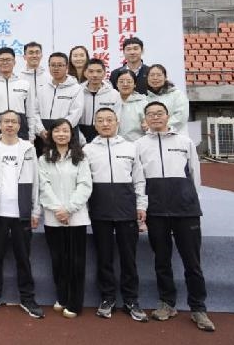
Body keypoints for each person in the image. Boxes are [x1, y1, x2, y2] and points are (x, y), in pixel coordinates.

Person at [135, 101, 214, 332]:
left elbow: (195, 174)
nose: (155, 117)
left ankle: (198, 308)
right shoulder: (139, 145)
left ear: (168, 116)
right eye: (151, 114)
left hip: (185, 211)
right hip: (156, 210)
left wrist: (192, 200)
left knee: (192, 263)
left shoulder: (185, 142)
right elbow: (138, 179)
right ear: (145, 119)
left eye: (159, 113)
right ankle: (167, 303)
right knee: (162, 260)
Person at [83, 108, 148, 322]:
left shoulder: (131, 147)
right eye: (100, 120)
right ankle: (107, 298)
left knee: (129, 258)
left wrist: (141, 205)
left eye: (109, 120)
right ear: (95, 125)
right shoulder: (88, 150)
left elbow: (139, 179)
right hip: (99, 210)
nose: (105, 124)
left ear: (117, 122)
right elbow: (84, 182)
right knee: (104, 258)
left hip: (126, 210)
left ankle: (131, 300)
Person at [0, 110, 44, 319]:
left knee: (23, 258)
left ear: (19, 125)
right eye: (6, 121)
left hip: (21, 212)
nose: (9, 125)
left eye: (13, 122)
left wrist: (35, 210)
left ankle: (28, 298)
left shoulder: (29, 148)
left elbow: (36, 181)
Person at [38, 119, 92, 318]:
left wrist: (69, 209)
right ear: (51, 134)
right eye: (57, 131)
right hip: (54, 218)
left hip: (76, 218)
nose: (61, 134)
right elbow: (43, 186)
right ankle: (62, 297)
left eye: (65, 131)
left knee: (76, 262)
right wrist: (58, 210)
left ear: (71, 134)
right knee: (58, 260)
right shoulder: (43, 159)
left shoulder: (81, 157)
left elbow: (85, 185)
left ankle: (75, 303)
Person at [0, 47, 36, 144]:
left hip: (21, 135)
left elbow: (31, 113)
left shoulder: (24, 84)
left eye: (8, 59)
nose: (5, 62)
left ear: (14, 62)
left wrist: (31, 137)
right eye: (1, 60)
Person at [31, 52, 84, 150]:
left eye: (60, 65)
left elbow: (76, 113)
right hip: (44, 135)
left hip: (67, 134)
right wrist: (40, 130)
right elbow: (35, 112)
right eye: (53, 65)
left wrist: (60, 131)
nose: (56, 68)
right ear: (49, 67)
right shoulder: (42, 88)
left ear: (67, 67)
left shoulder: (76, 89)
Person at [77, 58, 121, 143]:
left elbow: (117, 120)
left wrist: (110, 139)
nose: (95, 75)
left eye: (99, 71)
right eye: (91, 71)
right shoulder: (77, 91)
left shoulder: (114, 94)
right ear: (85, 73)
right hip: (80, 135)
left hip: (105, 135)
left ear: (104, 73)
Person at [145, 64, 189, 135]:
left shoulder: (177, 94)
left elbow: (181, 117)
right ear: (147, 78)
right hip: (153, 137)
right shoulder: (146, 98)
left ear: (165, 78)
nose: (155, 78)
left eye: (159, 75)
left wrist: (160, 127)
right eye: (152, 75)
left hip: (175, 136)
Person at [117, 69, 147, 141]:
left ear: (135, 84)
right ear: (117, 84)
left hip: (137, 144)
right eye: (121, 81)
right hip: (114, 144)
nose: (125, 84)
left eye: (129, 81)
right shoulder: (110, 101)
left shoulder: (143, 102)